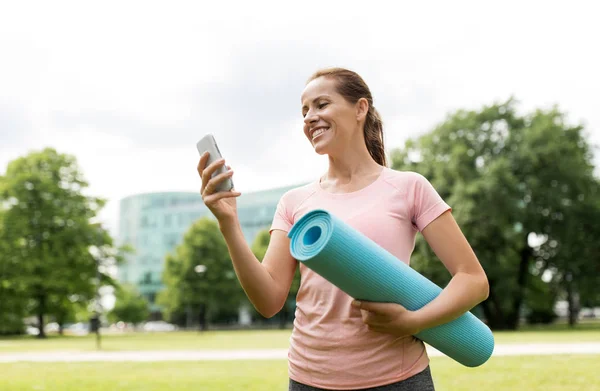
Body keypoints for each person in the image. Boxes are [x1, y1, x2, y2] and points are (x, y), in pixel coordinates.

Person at [197, 67, 490, 391]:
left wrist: (413, 322)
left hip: (397, 378)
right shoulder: (295, 201)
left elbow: (473, 281)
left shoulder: (409, 187)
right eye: (304, 111)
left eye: (321, 105)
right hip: (309, 379)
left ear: (360, 108)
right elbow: (268, 301)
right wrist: (229, 224)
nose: (309, 118)